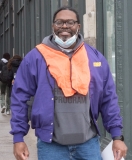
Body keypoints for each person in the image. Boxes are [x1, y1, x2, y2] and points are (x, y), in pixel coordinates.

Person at [10, 6, 127, 160]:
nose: (64, 26)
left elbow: (109, 99)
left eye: (70, 22)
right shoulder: (36, 57)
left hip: (88, 145)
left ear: (78, 26)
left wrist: (117, 136)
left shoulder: (95, 58)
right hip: (51, 147)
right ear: (53, 26)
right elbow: (19, 98)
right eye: (59, 22)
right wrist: (18, 138)